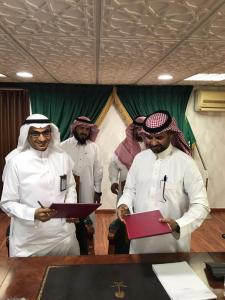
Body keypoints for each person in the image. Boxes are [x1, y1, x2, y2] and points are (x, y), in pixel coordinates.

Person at [117, 110, 209, 254]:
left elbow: (201, 205)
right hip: (139, 245)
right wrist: (124, 204)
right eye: (148, 137)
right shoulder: (140, 159)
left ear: (170, 134)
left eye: (159, 137)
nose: (153, 142)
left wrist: (178, 224)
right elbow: (130, 190)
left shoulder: (186, 163)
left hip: (172, 246)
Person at [1, 114, 79, 257]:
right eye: (35, 133)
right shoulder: (16, 162)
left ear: (52, 133)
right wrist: (33, 213)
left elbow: (70, 187)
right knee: (28, 279)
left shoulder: (63, 158)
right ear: (27, 135)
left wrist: (70, 208)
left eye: (45, 133)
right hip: (28, 241)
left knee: (69, 276)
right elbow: (7, 202)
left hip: (62, 236)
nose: (42, 139)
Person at [61, 116, 103, 255]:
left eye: (87, 129)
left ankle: (87, 251)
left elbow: (98, 170)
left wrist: (98, 191)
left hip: (87, 191)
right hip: (66, 193)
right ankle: (70, 251)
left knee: (88, 222)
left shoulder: (94, 148)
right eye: (81, 128)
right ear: (75, 128)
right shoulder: (63, 146)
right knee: (69, 221)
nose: (84, 131)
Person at [108, 116, 145, 254]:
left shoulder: (151, 147)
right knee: (125, 217)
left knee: (140, 216)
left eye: (143, 128)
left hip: (144, 189)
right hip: (125, 189)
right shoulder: (124, 146)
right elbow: (112, 164)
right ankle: (122, 248)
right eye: (138, 128)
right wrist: (113, 181)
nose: (141, 131)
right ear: (133, 129)